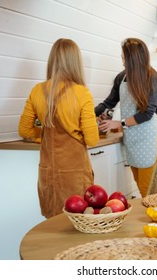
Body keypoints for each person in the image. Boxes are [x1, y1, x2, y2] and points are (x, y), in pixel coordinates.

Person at [19, 38, 99, 218]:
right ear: (75, 62)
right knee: (77, 220)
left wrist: (45, 135)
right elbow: (92, 139)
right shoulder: (82, 92)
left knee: (52, 222)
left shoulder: (37, 90)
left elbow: (24, 130)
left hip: (48, 172)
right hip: (75, 173)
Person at [95, 38, 157, 198]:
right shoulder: (121, 78)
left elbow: (148, 113)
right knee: (140, 185)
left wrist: (119, 123)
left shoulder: (151, 77)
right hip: (132, 137)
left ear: (133, 59)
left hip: (150, 138)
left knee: (148, 188)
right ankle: (151, 217)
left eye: (124, 57)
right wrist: (90, 113)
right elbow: (108, 102)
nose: (122, 62)